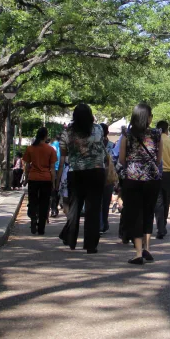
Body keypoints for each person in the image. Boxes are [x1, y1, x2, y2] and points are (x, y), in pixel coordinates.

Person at [58, 104, 107, 252]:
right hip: (96, 172)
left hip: (76, 172)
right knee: (93, 209)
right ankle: (90, 245)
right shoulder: (98, 129)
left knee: (75, 207)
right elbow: (101, 144)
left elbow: (63, 152)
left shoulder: (67, 133)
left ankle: (71, 240)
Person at [118, 102, 163, 264]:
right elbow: (158, 160)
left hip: (132, 179)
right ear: (148, 118)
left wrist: (133, 165)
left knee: (135, 214)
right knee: (148, 213)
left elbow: (122, 159)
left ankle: (138, 253)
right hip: (152, 179)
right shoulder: (157, 134)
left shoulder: (126, 134)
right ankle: (147, 248)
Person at [22, 127, 58, 235]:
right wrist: (54, 182)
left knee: (32, 201)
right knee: (44, 203)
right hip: (46, 179)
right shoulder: (50, 149)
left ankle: (33, 218)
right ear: (46, 136)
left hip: (33, 178)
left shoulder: (30, 149)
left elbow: (27, 166)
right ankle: (41, 227)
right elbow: (52, 168)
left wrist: (26, 178)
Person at [100, 123, 115, 235]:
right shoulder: (112, 145)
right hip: (108, 175)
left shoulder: (95, 145)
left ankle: (101, 223)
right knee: (106, 201)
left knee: (98, 201)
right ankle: (103, 222)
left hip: (97, 174)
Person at [50, 135, 62, 217]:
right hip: (60, 170)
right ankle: (55, 208)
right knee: (57, 189)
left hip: (51, 169)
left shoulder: (50, 146)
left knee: (52, 189)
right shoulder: (62, 147)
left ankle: (53, 208)